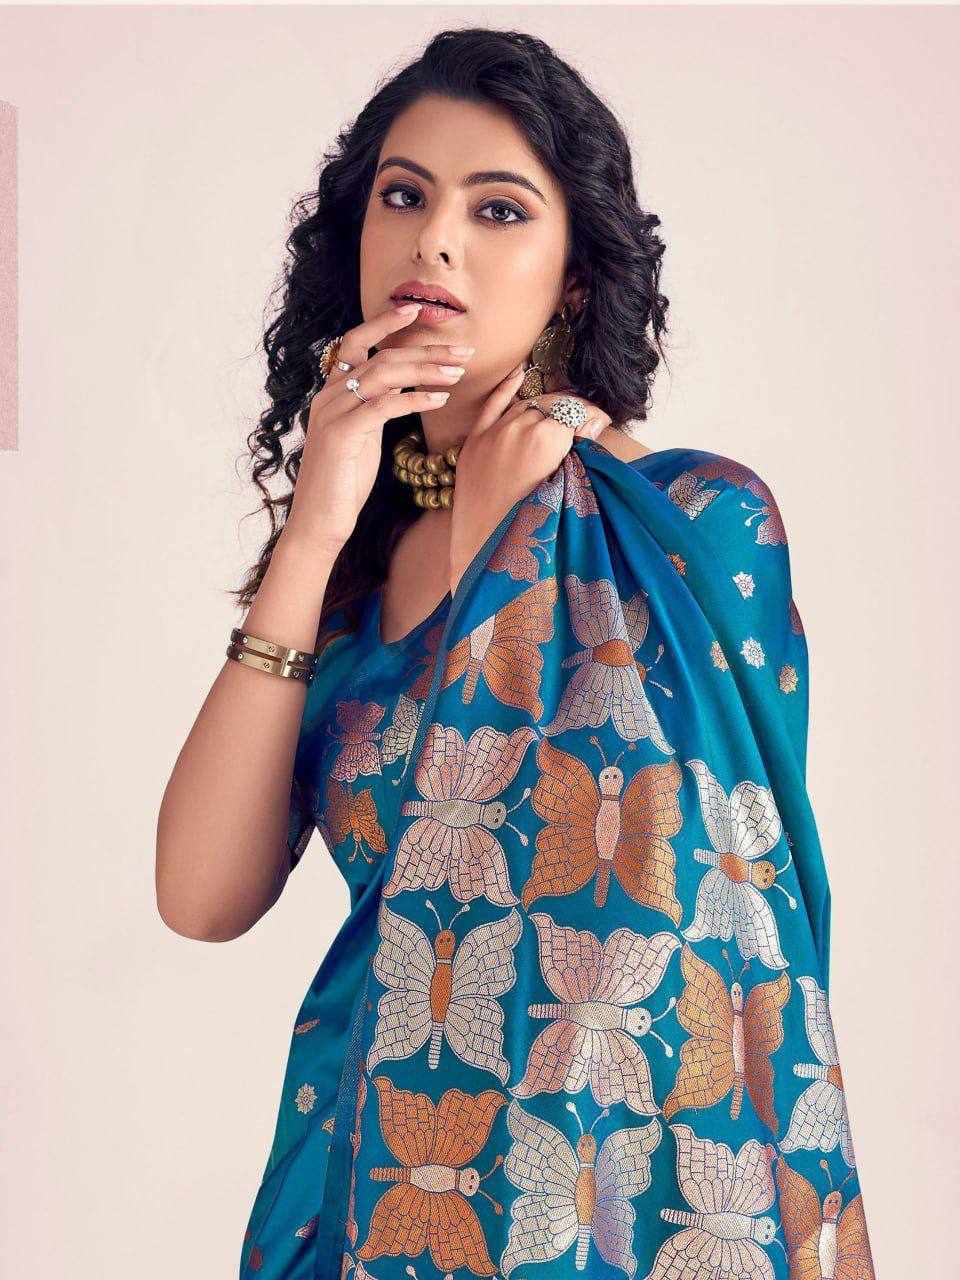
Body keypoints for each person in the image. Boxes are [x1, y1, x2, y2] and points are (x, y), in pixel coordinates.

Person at [155, 28, 876, 1280]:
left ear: (575, 279)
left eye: (497, 209)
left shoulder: (693, 525)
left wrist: (510, 532)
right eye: (403, 196)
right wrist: (315, 526)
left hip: (617, 1207)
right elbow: (201, 894)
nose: (434, 240)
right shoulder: (350, 579)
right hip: (370, 1192)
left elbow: (678, 919)